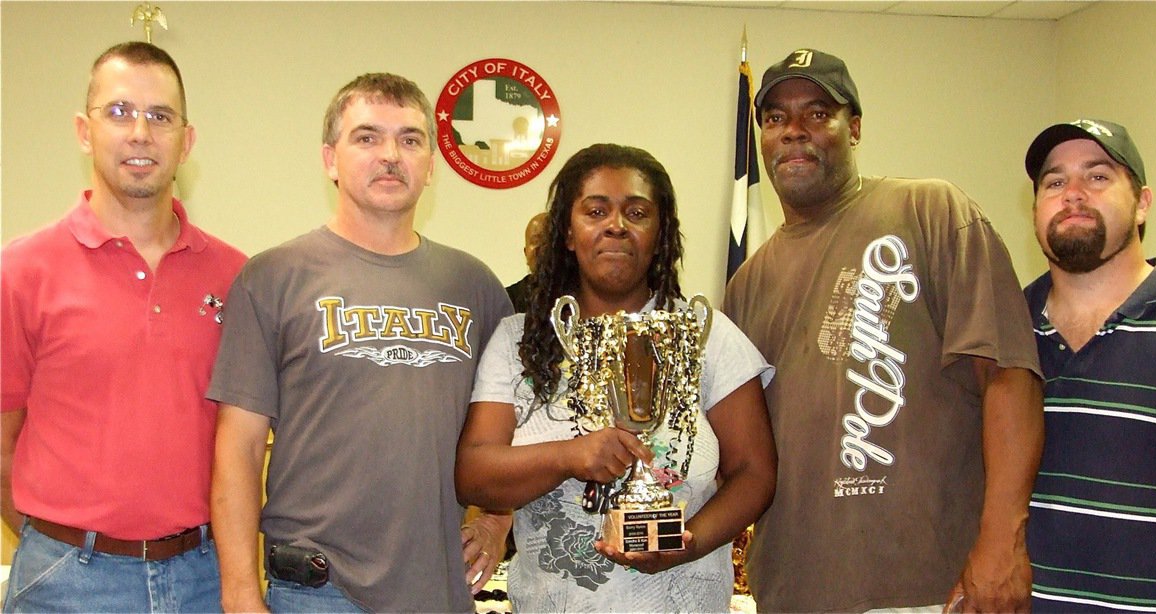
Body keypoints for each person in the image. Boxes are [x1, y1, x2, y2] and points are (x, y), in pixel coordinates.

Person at [723, 48, 1045, 612]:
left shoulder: (929, 211)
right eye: (775, 119)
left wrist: (1002, 540)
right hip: (793, 589)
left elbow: (1009, 375)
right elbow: (743, 453)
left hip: (927, 587)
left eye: (818, 113)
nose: (794, 131)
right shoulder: (747, 283)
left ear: (856, 128)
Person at [207, 73, 513, 613]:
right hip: (318, 591)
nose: (391, 155)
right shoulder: (273, 277)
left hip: (439, 588)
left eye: (410, 139)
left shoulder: (475, 286)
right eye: (367, 137)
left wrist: (495, 520)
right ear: (330, 159)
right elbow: (239, 448)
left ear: (431, 165)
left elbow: (515, 426)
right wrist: (239, 593)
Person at [457, 143, 777, 612]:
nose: (616, 225)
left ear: (660, 233)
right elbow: (473, 474)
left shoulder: (706, 336)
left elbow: (756, 473)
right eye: (596, 210)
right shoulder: (517, 340)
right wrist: (570, 456)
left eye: (637, 212)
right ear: (567, 232)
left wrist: (687, 543)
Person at [0, 41, 246, 612]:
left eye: (160, 116)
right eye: (118, 112)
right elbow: (1, 443)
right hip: (64, 580)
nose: (140, 132)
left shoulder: (238, 277)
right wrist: (67, 545)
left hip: (204, 578)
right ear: (84, 131)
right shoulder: (20, 270)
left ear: (186, 141)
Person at [1021, 119, 1156, 611]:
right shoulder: (1002, 335)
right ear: (1035, 208)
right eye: (1054, 182)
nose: (1072, 194)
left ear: (1143, 202)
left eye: (1097, 177)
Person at [506, 212, 548, 312]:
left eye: (548, 239)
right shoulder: (509, 299)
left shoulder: (580, 295)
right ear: (526, 253)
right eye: (535, 241)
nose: (541, 247)